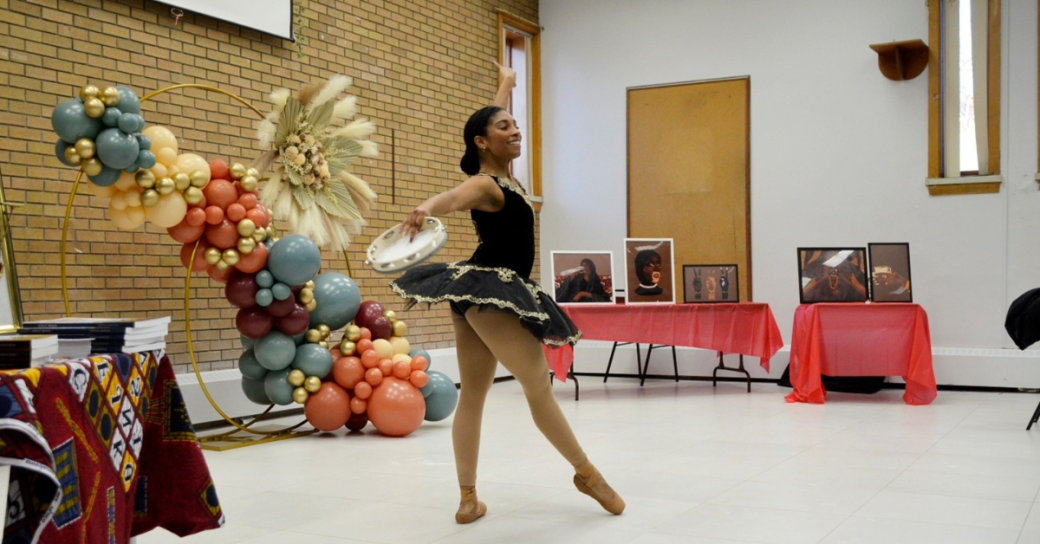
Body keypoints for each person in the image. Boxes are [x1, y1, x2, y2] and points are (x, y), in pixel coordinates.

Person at [389, 61, 625, 524]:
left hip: (476, 292)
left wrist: (508, 84)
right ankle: (586, 473)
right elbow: (453, 198)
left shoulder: (504, 174)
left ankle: (468, 498)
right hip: (490, 288)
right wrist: (425, 207)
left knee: (474, 393)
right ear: (482, 141)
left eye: (515, 125)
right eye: (505, 127)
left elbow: (493, 114)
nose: (515, 130)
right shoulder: (485, 183)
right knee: (537, 383)